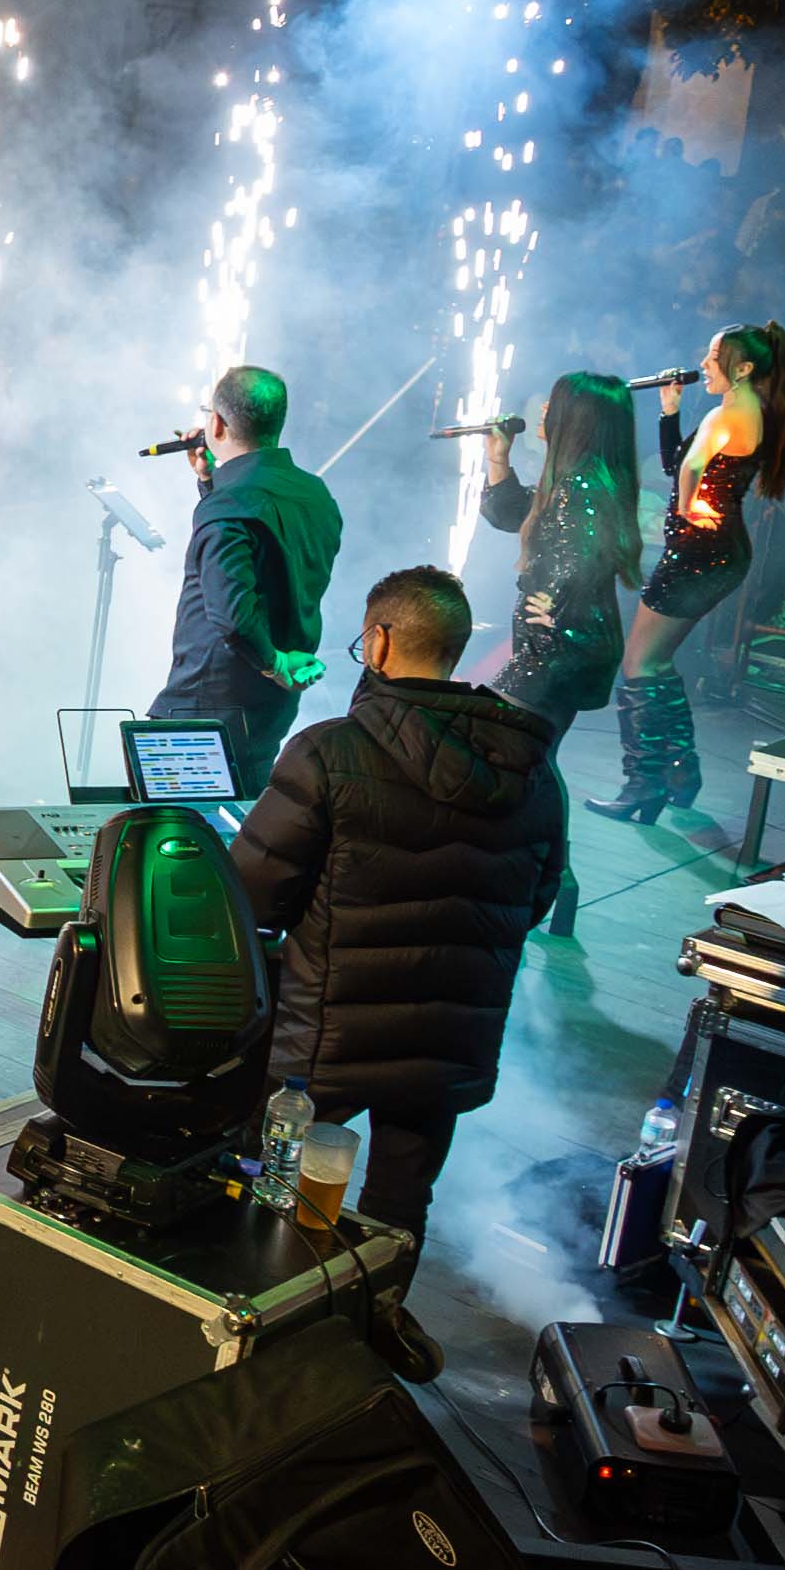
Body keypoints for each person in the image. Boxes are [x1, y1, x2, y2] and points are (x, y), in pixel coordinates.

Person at [220, 563, 566, 1250]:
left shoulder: (329, 752)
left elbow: (252, 896)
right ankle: (378, 1303)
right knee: (400, 1207)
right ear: (455, 648)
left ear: (377, 643)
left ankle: (259, 1294)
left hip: (326, 1040)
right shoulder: (531, 764)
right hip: (449, 1040)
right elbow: (536, 897)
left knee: (269, 1185)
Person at [603, 324, 785, 833]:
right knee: (655, 661)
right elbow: (677, 463)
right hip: (717, 553)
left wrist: (688, 508)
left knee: (638, 662)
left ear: (743, 368)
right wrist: (669, 412)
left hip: (698, 553)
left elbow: (687, 470)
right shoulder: (750, 413)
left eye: (714, 357)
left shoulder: (726, 414)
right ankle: (678, 773)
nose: (704, 365)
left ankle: (645, 782)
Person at [474, 373, 633, 940]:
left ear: (576, 419)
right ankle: (546, 876)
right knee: (532, 757)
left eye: (553, 405)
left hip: (562, 647)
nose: (541, 411)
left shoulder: (585, 485)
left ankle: (545, 874)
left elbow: (584, 558)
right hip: (562, 643)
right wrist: (498, 457)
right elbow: (511, 514)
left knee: (517, 752)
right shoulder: (575, 477)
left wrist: (554, 607)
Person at [149, 364, 344, 797]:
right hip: (270, 708)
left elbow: (233, 615)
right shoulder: (316, 495)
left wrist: (274, 664)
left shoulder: (229, 505)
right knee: (241, 821)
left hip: (205, 709)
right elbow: (264, 558)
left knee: (175, 827)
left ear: (217, 424)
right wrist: (209, 481)